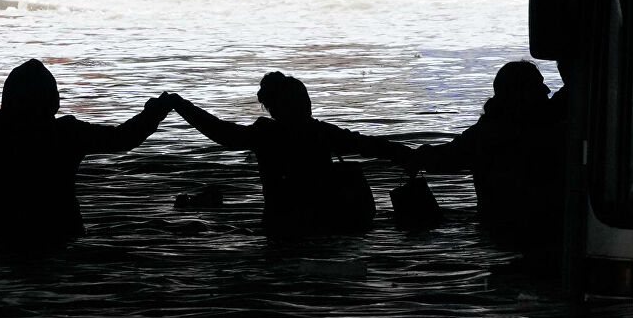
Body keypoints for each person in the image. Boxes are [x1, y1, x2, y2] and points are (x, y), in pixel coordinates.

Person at [0, 59, 173, 248]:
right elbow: (122, 139)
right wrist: (154, 113)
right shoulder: (67, 134)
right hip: (65, 236)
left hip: (7, 240)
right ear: (53, 100)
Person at [170, 72, 412, 237]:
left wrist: (181, 107)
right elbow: (373, 145)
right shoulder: (322, 132)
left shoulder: (266, 135)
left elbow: (222, 133)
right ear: (304, 102)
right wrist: (412, 158)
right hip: (329, 225)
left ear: (274, 107)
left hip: (282, 226)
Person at [411, 61, 565, 250]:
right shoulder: (499, 132)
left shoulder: (488, 132)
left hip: (501, 233)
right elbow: (444, 158)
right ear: (518, 93)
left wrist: (414, 156)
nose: (546, 90)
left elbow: (443, 158)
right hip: (522, 231)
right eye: (537, 84)